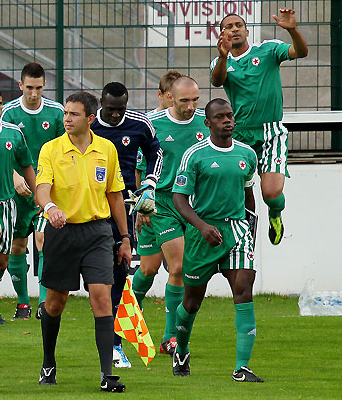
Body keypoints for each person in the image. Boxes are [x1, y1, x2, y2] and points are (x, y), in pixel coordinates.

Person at [35, 92, 131, 392]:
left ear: (90, 118)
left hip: (98, 233)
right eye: (65, 113)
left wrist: (125, 238)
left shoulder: (107, 149)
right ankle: (48, 362)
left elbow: (115, 196)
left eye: (73, 114)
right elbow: (41, 188)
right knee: (55, 302)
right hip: (61, 234)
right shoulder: (51, 149)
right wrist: (51, 209)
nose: (66, 119)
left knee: (102, 297)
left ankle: (106, 374)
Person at [171, 98, 263, 382]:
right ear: (207, 123)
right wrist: (201, 227)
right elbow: (179, 198)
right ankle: (181, 349)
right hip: (202, 235)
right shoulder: (194, 155)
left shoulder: (247, 154)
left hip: (236, 231)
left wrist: (249, 227)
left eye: (230, 116)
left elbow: (249, 195)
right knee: (191, 302)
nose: (228, 121)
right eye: (221, 117)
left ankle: (242, 367)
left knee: (244, 290)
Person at [210, 9, 308, 245]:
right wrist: (223, 57)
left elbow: (301, 52)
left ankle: (275, 214)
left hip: (271, 132)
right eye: (228, 26)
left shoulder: (268, 50)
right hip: (240, 134)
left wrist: (292, 30)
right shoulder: (219, 61)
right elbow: (216, 81)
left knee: (272, 194)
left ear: (246, 30)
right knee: (238, 192)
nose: (233, 29)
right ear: (222, 33)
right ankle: (242, 232)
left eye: (238, 25)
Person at [131, 76, 209, 356]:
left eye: (195, 100)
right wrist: (143, 205)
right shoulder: (155, 125)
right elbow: (141, 168)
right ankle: (156, 331)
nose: (190, 106)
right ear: (169, 98)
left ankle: (164, 335)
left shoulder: (205, 123)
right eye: (184, 100)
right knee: (172, 268)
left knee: (152, 268)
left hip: (190, 203)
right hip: (160, 202)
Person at [91, 81, 162, 369]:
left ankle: (115, 346)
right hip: (88, 209)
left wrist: (149, 184)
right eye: (110, 110)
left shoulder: (139, 123)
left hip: (121, 209)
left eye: (121, 109)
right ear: (101, 104)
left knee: (119, 274)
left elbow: (156, 152)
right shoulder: (88, 124)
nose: (116, 116)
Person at [0, 62, 64, 319]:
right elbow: (2, 147)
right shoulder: (9, 113)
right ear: (20, 86)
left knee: (43, 241)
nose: (34, 93)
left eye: (38, 88)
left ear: (44, 86)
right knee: (17, 246)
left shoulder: (57, 112)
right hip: (17, 190)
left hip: (46, 189)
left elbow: (63, 149)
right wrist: (15, 175)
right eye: (29, 87)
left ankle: (43, 303)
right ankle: (23, 302)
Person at [0, 86, 36, 325]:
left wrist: (37, 197)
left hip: (7, 205)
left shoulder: (14, 133)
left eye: (0, 104)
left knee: (2, 260)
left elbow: (26, 164)